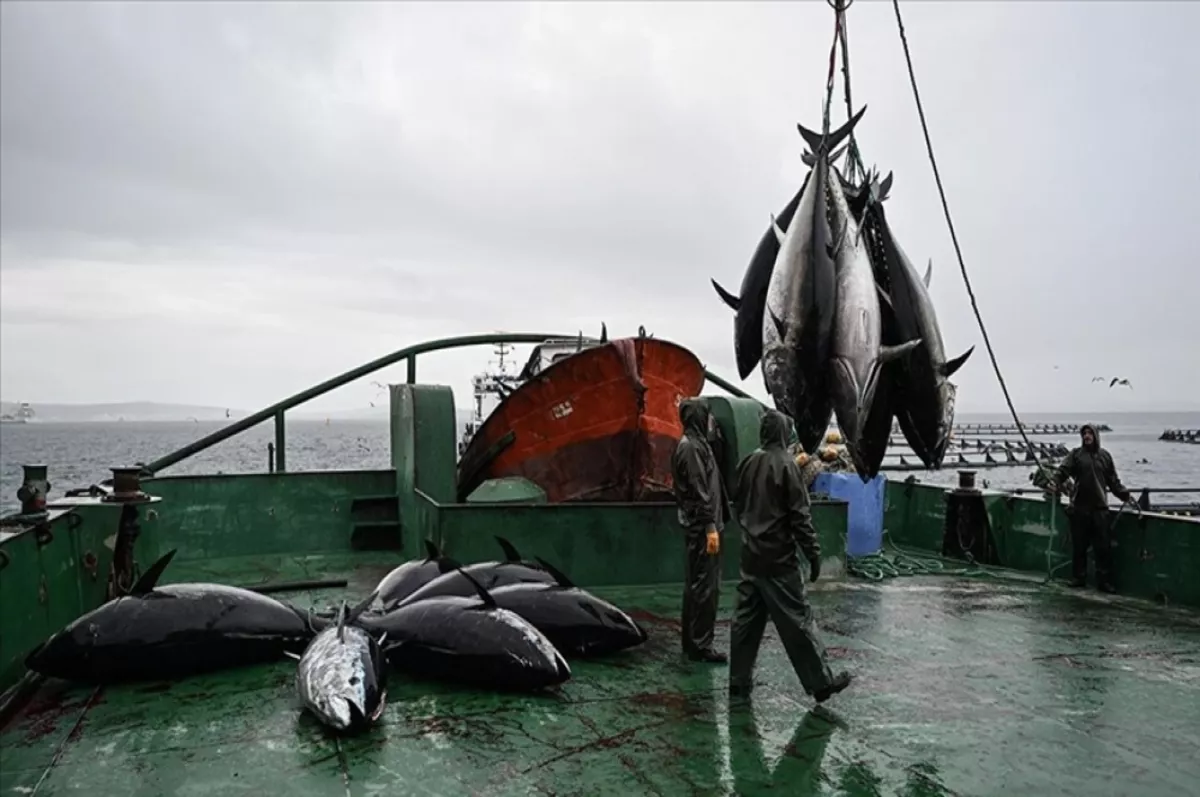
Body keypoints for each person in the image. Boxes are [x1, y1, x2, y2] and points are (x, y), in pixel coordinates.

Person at [727, 409, 851, 702]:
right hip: (779, 560)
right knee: (798, 620)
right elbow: (800, 518)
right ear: (784, 432)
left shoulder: (748, 462)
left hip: (750, 556)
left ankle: (738, 681)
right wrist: (814, 554)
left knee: (745, 622)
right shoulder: (787, 465)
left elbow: (737, 505)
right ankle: (820, 682)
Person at [670, 399, 729, 663]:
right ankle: (700, 645)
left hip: (703, 525)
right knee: (704, 587)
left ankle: (693, 642)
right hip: (702, 529)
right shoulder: (691, 448)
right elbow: (698, 490)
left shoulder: (697, 445)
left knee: (699, 585)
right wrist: (710, 527)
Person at [1046, 423, 1133, 592]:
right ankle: (1079, 578)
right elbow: (1062, 471)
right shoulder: (1076, 455)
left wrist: (1125, 495)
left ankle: (1104, 582)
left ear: (1096, 436)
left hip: (1100, 509)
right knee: (1079, 546)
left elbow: (1113, 481)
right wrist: (1054, 482)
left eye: (1090, 433)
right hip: (1080, 508)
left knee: (1103, 548)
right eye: (1084, 433)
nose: (1087, 436)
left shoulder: (1105, 457)